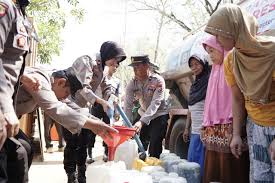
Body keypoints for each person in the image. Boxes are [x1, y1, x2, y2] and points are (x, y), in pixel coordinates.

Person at [204, 4, 275, 182]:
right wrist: (236, 134)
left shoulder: (271, 53)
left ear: (234, 29)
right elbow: (237, 98)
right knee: (260, 178)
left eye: (218, 33)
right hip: (255, 126)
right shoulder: (231, 61)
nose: (216, 40)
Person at [62, 41, 126, 183]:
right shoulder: (87, 61)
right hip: (67, 105)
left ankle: (82, 174)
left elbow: (106, 88)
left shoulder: (103, 69)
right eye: (115, 60)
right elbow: (83, 88)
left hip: (83, 109)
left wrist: (110, 98)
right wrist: (101, 101)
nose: (116, 64)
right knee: (72, 143)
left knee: (83, 142)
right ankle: (71, 175)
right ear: (108, 54)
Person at [200, 35, 249, 183]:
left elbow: (238, 98)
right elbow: (209, 102)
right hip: (214, 129)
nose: (210, 56)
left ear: (222, 47)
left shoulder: (232, 64)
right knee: (214, 168)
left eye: (212, 51)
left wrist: (236, 131)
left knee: (231, 167)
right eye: (208, 52)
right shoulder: (215, 71)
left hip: (231, 126)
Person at [124, 55, 168, 158]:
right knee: (140, 145)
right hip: (143, 113)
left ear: (146, 66)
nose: (135, 70)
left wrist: (141, 122)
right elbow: (128, 106)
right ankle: (140, 169)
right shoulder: (132, 83)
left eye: (137, 66)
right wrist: (127, 125)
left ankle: (154, 170)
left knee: (155, 145)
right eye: (133, 67)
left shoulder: (158, 81)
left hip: (158, 115)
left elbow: (155, 104)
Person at [88, 52, 122, 163]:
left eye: (117, 66)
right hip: (96, 105)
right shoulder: (98, 76)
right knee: (92, 129)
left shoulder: (117, 81)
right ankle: (89, 154)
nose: (115, 67)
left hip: (109, 108)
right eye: (113, 65)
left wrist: (117, 111)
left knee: (109, 130)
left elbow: (117, 97)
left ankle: (106, 153)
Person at [183, 54, 211, 178]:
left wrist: (206, 128)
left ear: (203, 64)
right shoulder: (194, 85)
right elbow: (190, 108)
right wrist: (186, 128)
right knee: (192, 163)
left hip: (204, 132)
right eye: (192, 65)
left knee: (201, 166)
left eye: (197, 64)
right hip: (194, 132)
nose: (194, 67)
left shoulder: (209, 81)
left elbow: (211, 107)